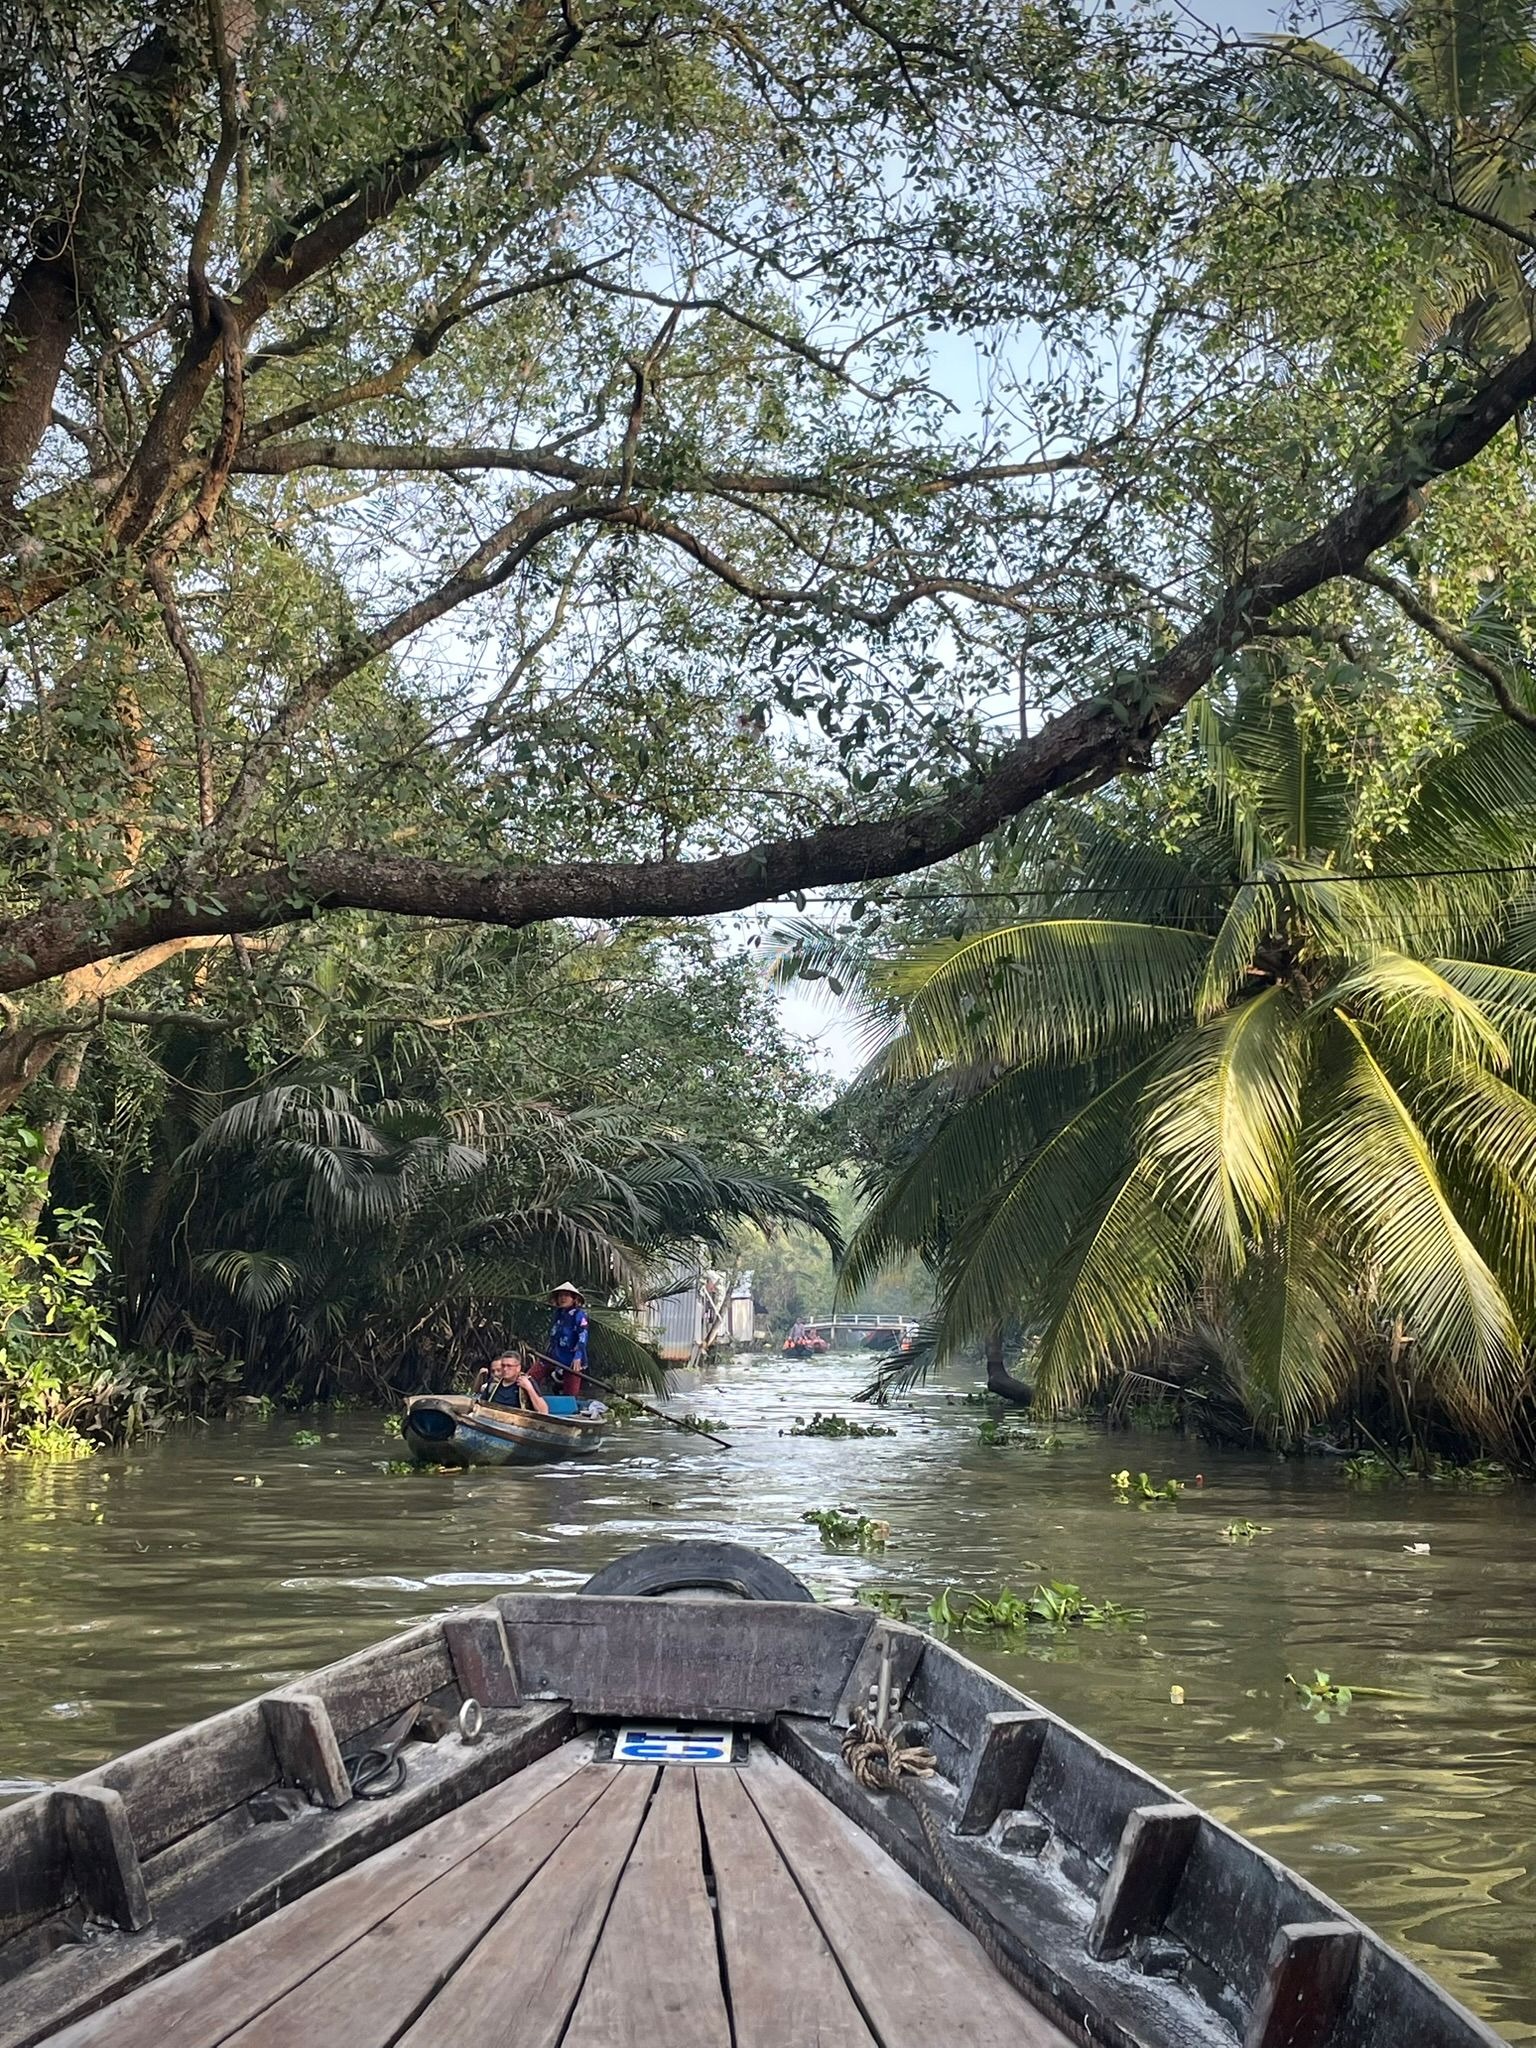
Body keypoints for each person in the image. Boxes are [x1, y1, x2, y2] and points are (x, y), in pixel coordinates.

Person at [543, 1282, 589, 1408]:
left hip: (572, 1360)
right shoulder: (558, 1314)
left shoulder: (579, 1314)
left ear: (574, 1299)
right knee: (531, 1376)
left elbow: (583, 1335)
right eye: (560, 1296)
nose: (562, 1298)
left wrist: (578, 1356)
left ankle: (568, 1411)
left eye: (566, 1295)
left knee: (570, 1396)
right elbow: (553, 1337)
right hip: (553, 1356)